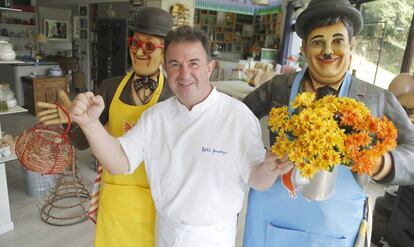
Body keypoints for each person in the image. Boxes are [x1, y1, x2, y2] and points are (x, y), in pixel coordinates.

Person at [70, 25, 292, 247]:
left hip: (214, 236)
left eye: (193, 63)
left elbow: (257, 179)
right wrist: (90, 124)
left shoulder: (238, 117)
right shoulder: (155, 117)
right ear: (166, 69)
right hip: (165, 232)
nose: (184, 74)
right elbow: (119, 162)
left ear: (210, 68)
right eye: (175, 65)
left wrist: (269, 169)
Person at [242, 0, 414, 246]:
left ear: (352, 45)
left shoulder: (378, 99)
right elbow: (237, 121)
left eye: (338, 41)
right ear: (303, 47)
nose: (328, 51)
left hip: (335, 225)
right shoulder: (279, 88)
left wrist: (383, 163)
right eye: (318, 42)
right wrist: (257, 161)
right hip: (272, 218)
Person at [36, 7, 174, 247]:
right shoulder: (110, 87)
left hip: (159, 198)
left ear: (165, 52)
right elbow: (82, 143)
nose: (139, 51)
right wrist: (71, 119)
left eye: (149, 45)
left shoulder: (173, 95)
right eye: (134, 42)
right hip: (117, 194)